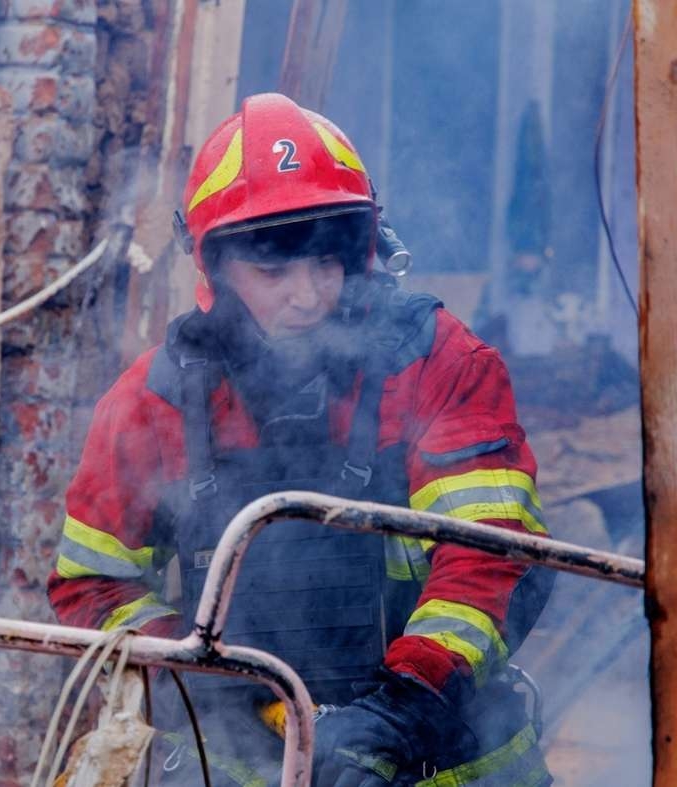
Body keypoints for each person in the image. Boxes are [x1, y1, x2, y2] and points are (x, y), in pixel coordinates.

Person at [48, 93, 552, 786]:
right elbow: (93, 583)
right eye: (274, 270)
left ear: (363, 251)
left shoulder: (439, 363)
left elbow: (495, 553)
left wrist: (398, 715)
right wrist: (212, 681)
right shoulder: (156, 400)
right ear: (216, 268)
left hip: (445, 757)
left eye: (326, 263)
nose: (308, 295)